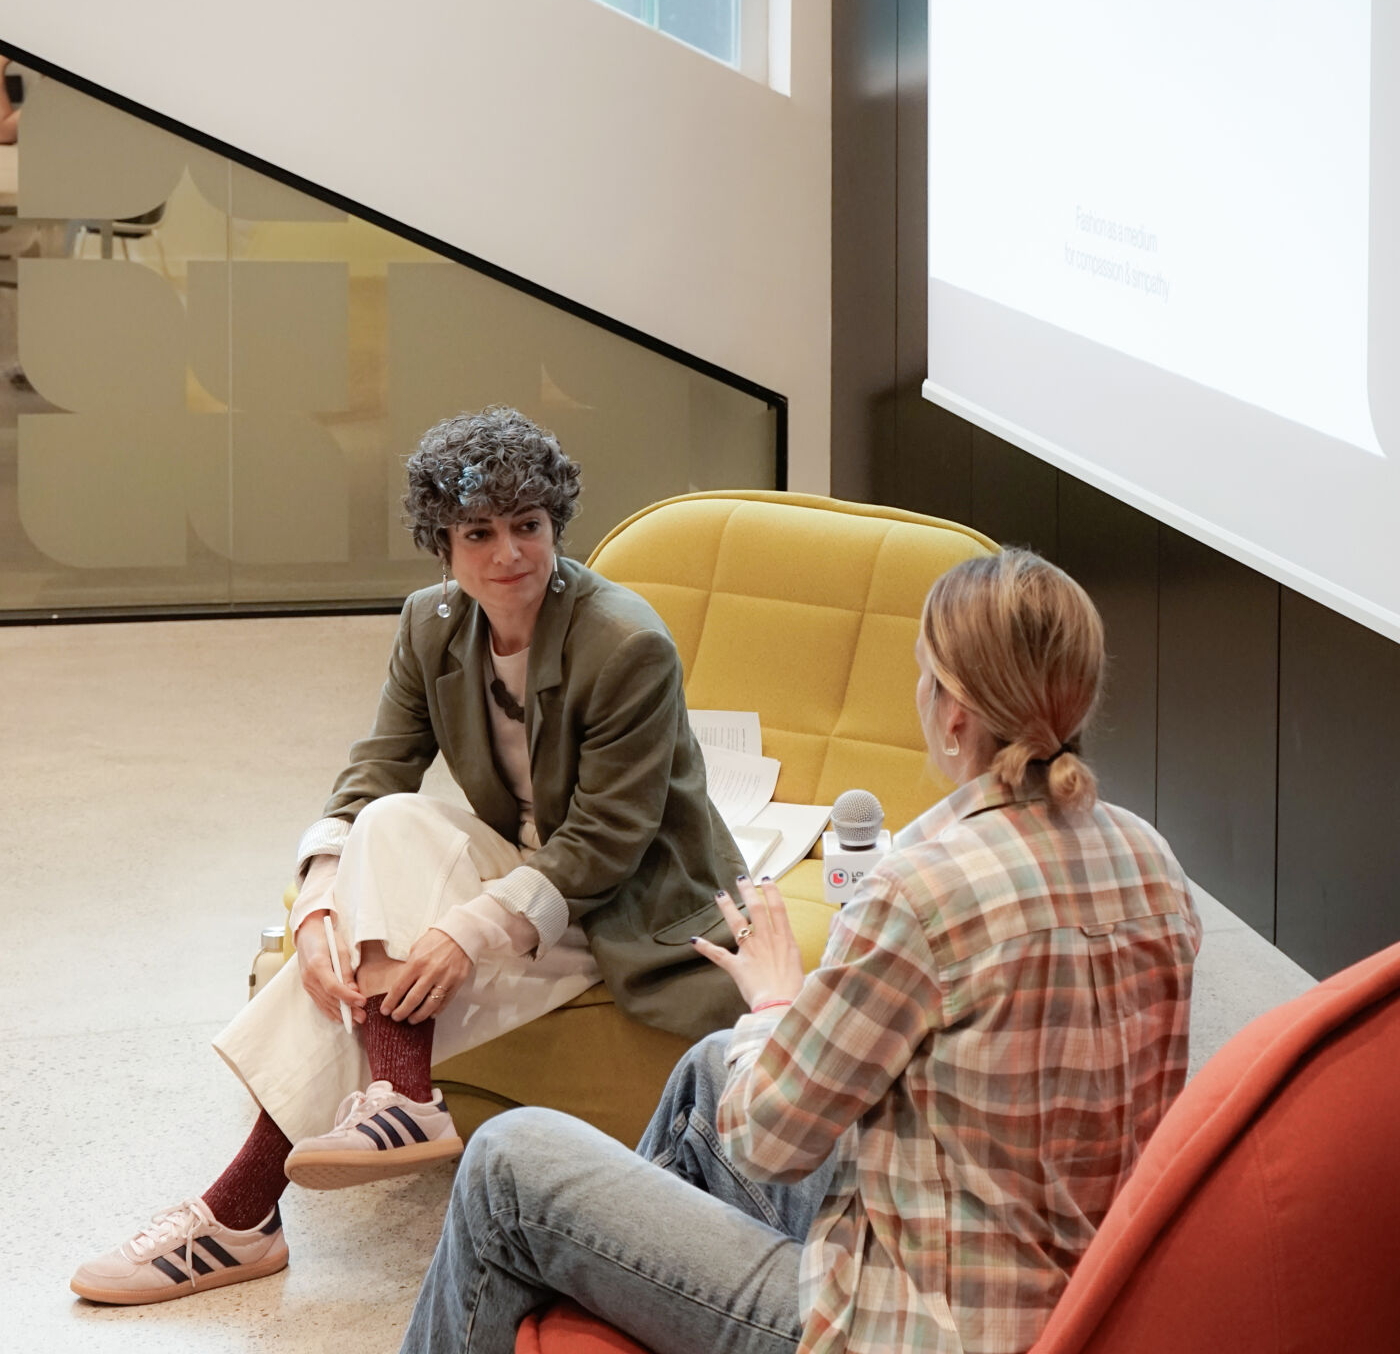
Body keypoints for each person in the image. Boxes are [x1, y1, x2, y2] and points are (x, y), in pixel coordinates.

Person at [398, 548, 1204, 1354]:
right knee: (710, 1067)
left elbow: (771, 1142)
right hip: (1074, 1296)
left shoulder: (920, 891)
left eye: (924, 674)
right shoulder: (1152, 861)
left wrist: (777, 1001)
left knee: (508, 1164)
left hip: (910, 1329)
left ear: (953, 713)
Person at [70, 405, 745, 1306]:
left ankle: (239, 1214)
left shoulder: (628, 644)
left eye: (529, 526)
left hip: (626, 903)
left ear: (556, 526)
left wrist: (466, 932)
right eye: (479, 532)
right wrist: (313, 912)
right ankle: (401, 1098)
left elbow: (606, 842)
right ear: (443, 547)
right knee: (388, 820)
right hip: (524, 864)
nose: (510, 554)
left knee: (393, 961)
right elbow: (377, 768)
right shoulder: (430, 625)